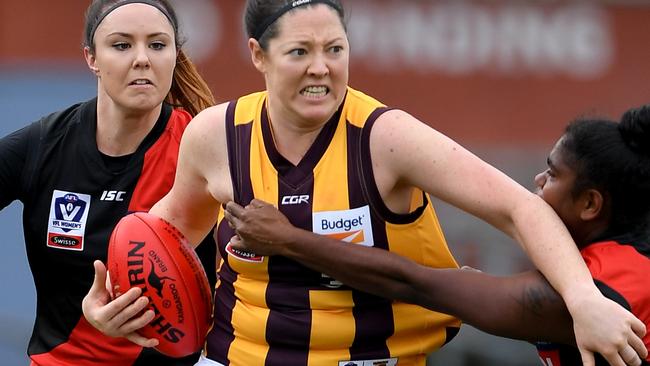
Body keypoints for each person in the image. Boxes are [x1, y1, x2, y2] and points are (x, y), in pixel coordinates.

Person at [82, 1, 646, 365]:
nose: (321, 68)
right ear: (258, 55)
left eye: (335, 49)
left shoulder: (387, 137)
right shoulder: (214, 134)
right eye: (299, 52)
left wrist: (583, 299)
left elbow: (520, 209)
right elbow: (162, 236)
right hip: (233, 357)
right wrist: (111, 301)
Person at [224, 106, 650, 365]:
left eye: (553, 174)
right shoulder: (612, 261)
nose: (538, 181)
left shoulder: (606, 290)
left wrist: (288, 240)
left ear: (591, 204)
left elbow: (412, 282)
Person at [0, 0, 217, 364]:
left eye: (158, 45)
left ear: (175, 56)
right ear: (92, 58)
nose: (142, 58)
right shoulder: (44, 145)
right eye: (121, 45)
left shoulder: (207, 146)